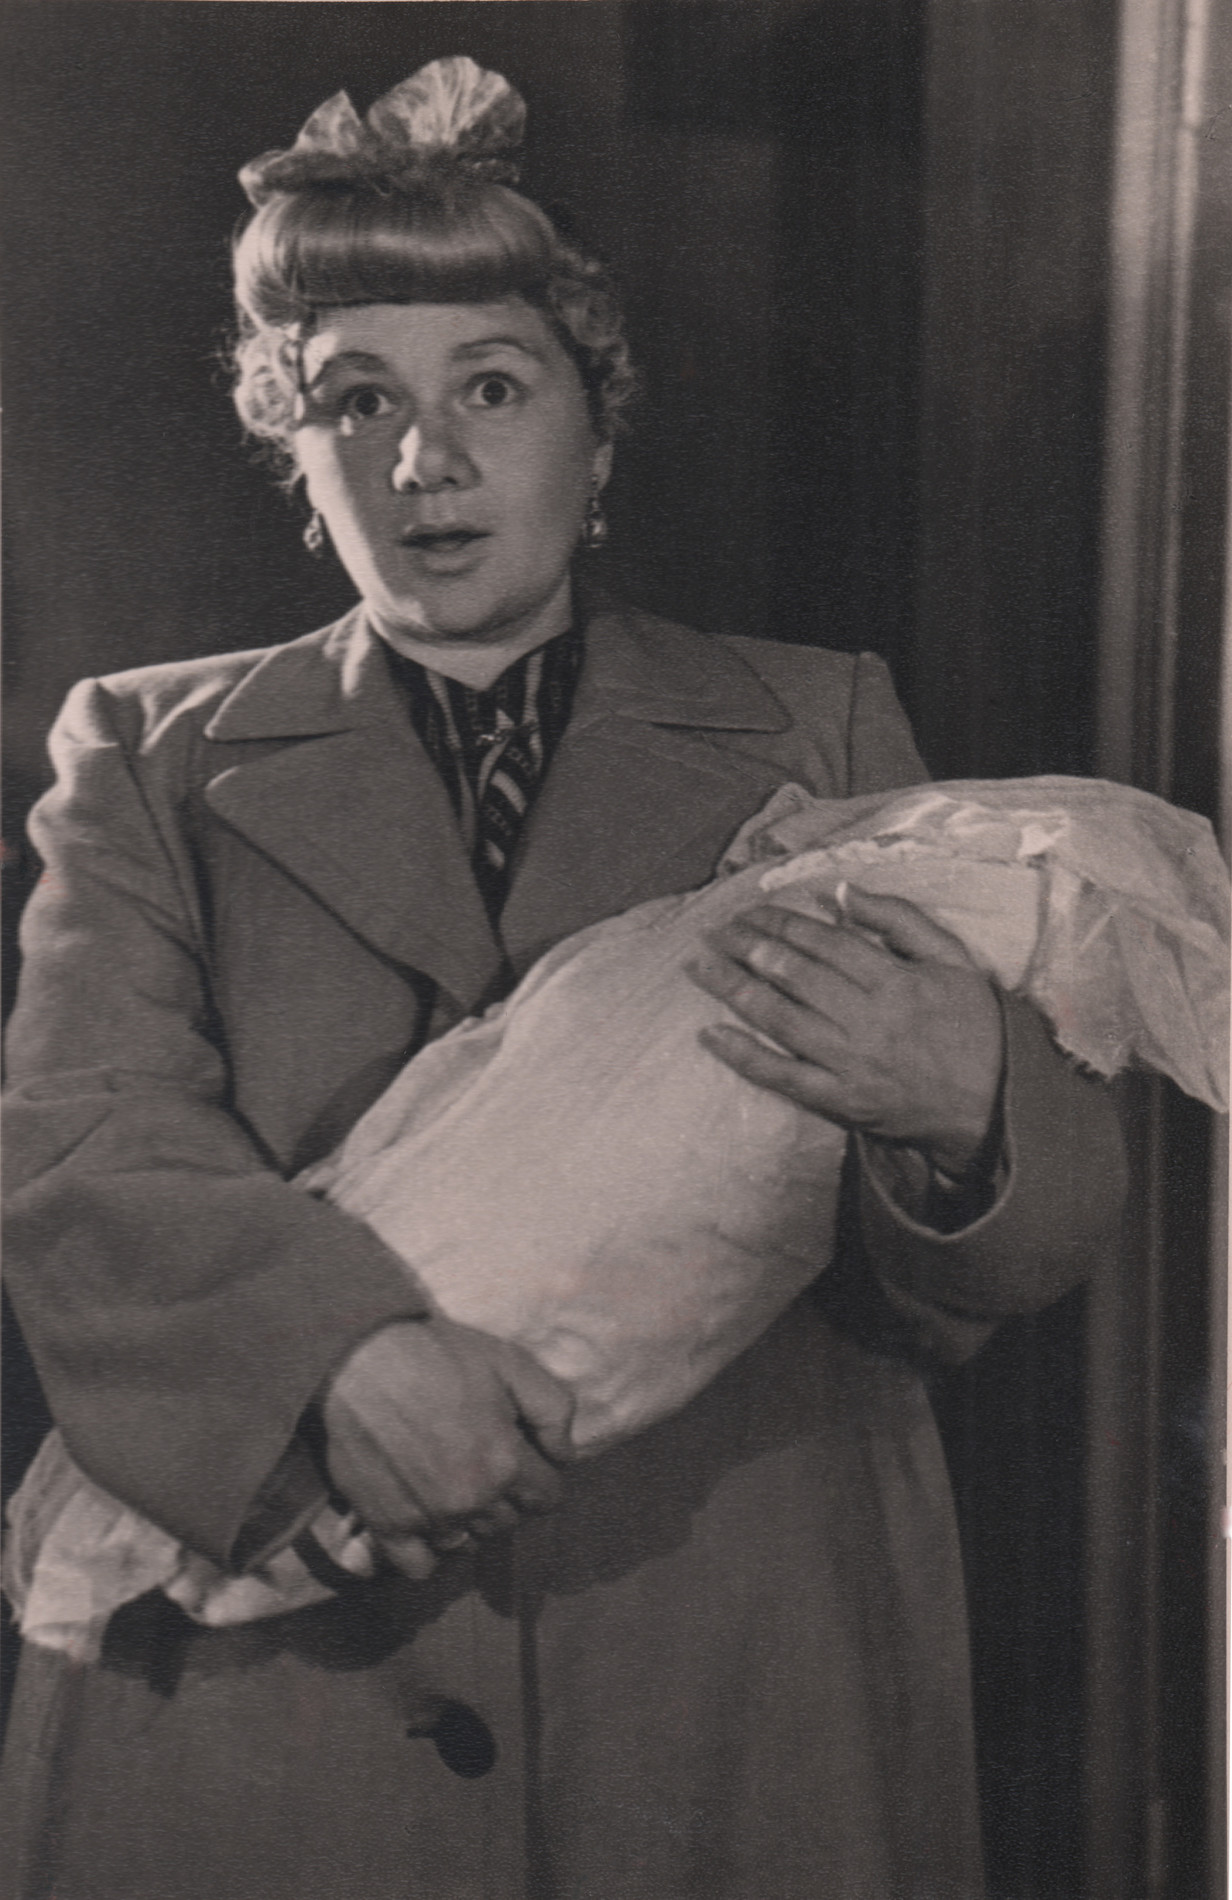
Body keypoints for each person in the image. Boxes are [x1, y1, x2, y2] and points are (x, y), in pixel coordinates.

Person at [0, 56, 1126, 1900]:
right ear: (293, 452)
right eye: (357, 400)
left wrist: (967, 1107)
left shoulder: (815, 722)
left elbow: (1014, 1259)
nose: (424, 460)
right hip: (279, 1689)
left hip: (728, 1672)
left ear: (597, 440)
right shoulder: (148, 754)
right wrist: (336, 1359)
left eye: (492, 388)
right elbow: (83, 1147)